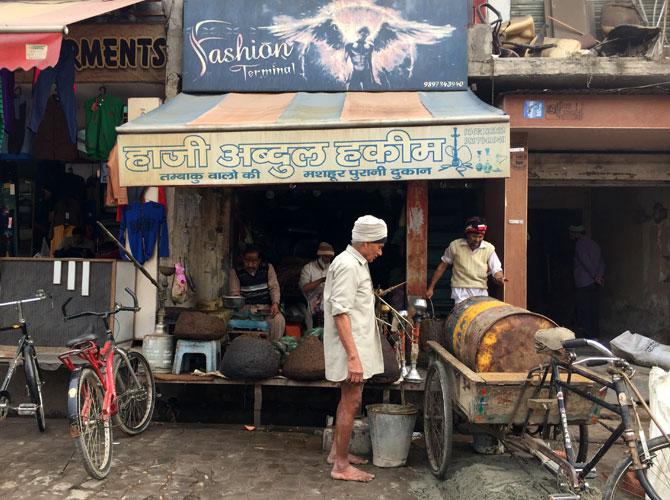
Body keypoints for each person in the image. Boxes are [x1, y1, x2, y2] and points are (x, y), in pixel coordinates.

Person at [324, 215, 386, 482]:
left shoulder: (356, 262)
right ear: (365, 242)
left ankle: (338, 454)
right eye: (379, 246)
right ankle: (340, 466)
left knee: (347, 400)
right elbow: (340, 313)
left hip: (355, 345)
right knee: (352, 402)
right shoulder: (349, 265)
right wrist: (353, 358)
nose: (380, 251)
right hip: (351, 348)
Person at [425, 216, 505, 304]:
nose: (477, 240)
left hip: (481, 290)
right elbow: (442, 266)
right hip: (460, 289)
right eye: (474, 236)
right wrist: (431, 287)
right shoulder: (455, 246)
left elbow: (496, 269)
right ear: (467, 234)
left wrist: (499, 277)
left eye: (480, 236)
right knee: (463, 315)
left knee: (479, 315)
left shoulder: (489, 248)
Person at [228, 245, 286, 341]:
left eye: (254, 261)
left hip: (265, 308)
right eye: (247, 261)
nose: (250, 264)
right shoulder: (235, 271)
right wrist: (242, 307)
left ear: (259, 260)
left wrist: (275, 303)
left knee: (278, 320)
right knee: (232, 323)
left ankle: (272, 348)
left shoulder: (268, 268)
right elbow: (235, 294)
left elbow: (274, 288)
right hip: (245, 309)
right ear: (243, 259)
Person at [569, 224, 605, 339]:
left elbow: (585, 262)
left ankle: (588, 335)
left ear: (576, 234)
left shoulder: (580, 245)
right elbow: (601, 262)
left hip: (584, 282)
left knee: (585, 310)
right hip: (594, 282)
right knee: (593, 309)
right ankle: (595, 334)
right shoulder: (594, 244)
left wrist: (594, 275)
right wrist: (599, 277)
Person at [299, 241, 335, 329]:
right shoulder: (308, 268)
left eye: (330, 257)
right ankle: (311, 336)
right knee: (309, 316)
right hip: (309, 301)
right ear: (320, 256)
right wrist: (322, 280)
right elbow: (304, 288)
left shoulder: (332, 268)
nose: (328, 260)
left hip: (327, 301)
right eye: (326, 257)